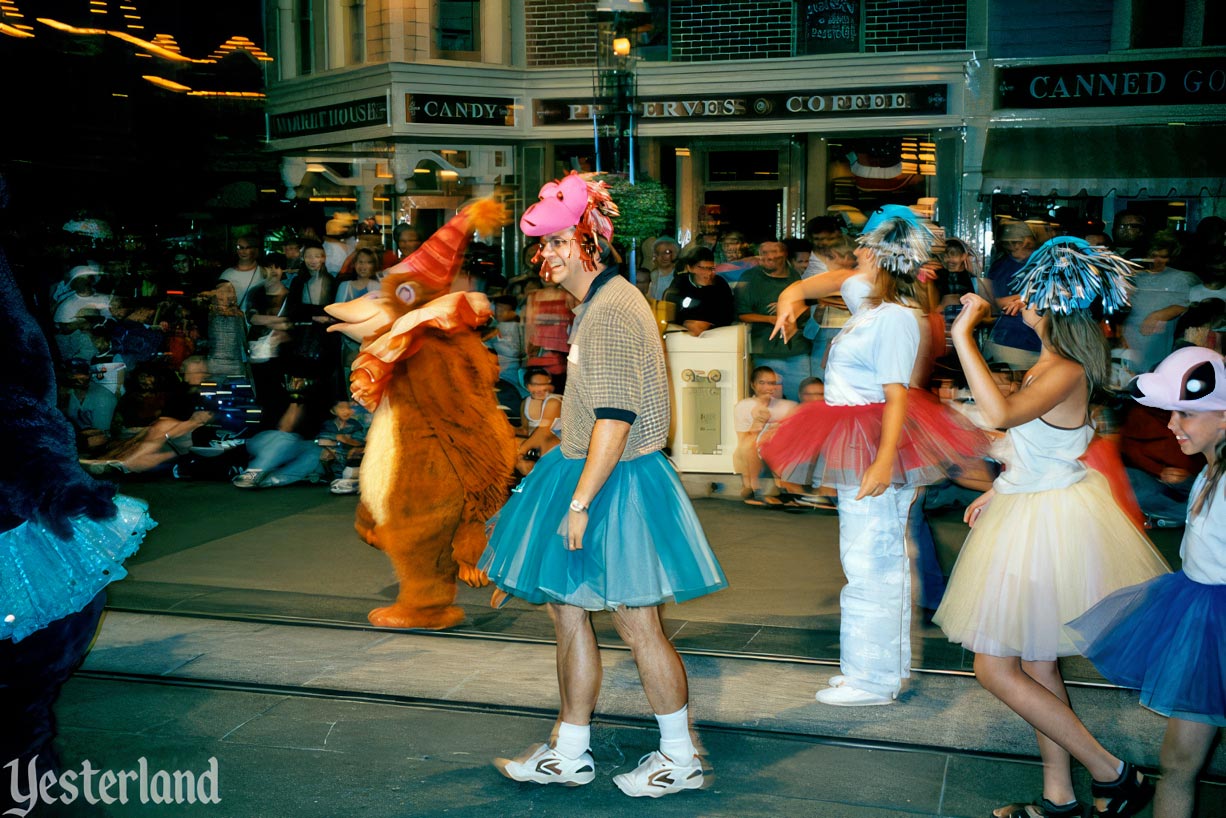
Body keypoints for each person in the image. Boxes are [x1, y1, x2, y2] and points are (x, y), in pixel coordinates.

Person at [480, 172, 727, 798]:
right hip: (587, 467)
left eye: (562, 240)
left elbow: (616, 421)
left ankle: (680, 757)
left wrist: (581, 504)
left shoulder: (613, 310)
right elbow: (597, 406)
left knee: (638, 622)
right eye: (546, 243)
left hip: (616, 480)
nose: (550, 253)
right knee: (567, 613)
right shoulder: (597, 304)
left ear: (591, 240)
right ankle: (569, 750)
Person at [934, 237, 1170, 818]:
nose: (1022, 301)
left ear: (1051, 307)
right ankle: (1059, 799)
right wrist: (1000, 487)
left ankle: (1113, 772)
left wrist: (963, 335)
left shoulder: (1062, 369)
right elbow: (1035, 446)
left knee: (994, 666)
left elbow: (1000, 416)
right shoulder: (1050, 365)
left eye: (1033, 296)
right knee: (1038, 664)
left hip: (1046, 525)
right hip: (1031, 511)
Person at [763, 205, 986, 707]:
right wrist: (790, 294)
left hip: (875, 442)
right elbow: (836, 280)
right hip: (861, 437)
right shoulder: (871, 303)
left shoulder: (894, 320)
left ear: (884, 259)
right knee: (870, 556)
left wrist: (884, 462)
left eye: (865, 245)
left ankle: (875, 679)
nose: (855, 251)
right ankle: (874, 667)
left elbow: (898, 397)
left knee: (873, 559)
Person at [1069, 346, 1226, 818]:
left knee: (1179, 762)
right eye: (1172, 412)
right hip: (1198, 616)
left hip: (1214, 619)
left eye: (1185, 414)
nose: (1172, 424)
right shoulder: (1209, 468)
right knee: (1176, 761)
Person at [736, 240, 811, 399]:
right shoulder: (750, 278)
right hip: (766, 350)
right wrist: (771, 319)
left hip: (797, 350)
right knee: (769, 402)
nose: (769, 257)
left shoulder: (794, 275)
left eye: (774, 252)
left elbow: (805, 309)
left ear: (784, 255)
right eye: (764, 253)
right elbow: (742, 314)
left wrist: (790, 307)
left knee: (801, 398)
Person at [1121, 232, 1199, 375]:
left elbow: (1189, 306)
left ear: (1172, 257)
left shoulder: (1181, 277)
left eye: (1163, 257)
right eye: (1153, 255)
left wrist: (1159, 315)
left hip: (1156, 341)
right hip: (1129, 338)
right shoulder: (1136, 276)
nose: (1157, 260)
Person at [983, 222, 1042, 371]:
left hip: (1043, 343)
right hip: (1010, 342)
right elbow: (992, 304)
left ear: (1030, 240)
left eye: (1017, 242)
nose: (1013, 247)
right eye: (1008, 243)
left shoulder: (1042, 263)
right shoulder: (1001, 267)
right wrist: (1030, 295)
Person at [734, 366, 796, 505]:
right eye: (762, 383)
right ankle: (754, 488)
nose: (768, 387)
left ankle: (784, 488)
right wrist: (757, 427)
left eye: (772, 383)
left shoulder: (788, 406)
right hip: (755, 454)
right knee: (748, 446)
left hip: (779, 453)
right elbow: (743, 443)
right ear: (753, 385)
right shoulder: (743, 407)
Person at [662, 247, 735, 336]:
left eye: (711, 268)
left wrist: (708, 324)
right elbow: (670, 311)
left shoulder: (720, 284)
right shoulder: (680, 283)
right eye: (703, 268)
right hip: (684, 332)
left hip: (714, 333)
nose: (708, 273)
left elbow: (728, 314)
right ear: (690, 268)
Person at [516, 367, 562, 476]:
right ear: (528, 386)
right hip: (534, 444)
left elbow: (543, 432)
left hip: (554, 442)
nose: (541, 388)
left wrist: (521, 451)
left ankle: (535, 480)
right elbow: (525, 430)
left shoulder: (554, 401)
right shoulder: (525, 402)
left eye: (544, 384)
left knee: (516, 448)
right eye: (535, 385)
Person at [220, 234, 265, 311]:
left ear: (255, 250)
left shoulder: (264, 272)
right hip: (234, 319)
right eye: (240, 247)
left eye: (247, 247)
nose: (243, 251)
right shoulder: (227, 274)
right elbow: (219, 300)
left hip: (256, 319)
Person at [644, 236, 680, 301]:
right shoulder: (652, 275)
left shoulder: (680, 276)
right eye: (659, 253)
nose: (663, 257)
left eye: (667, 253)